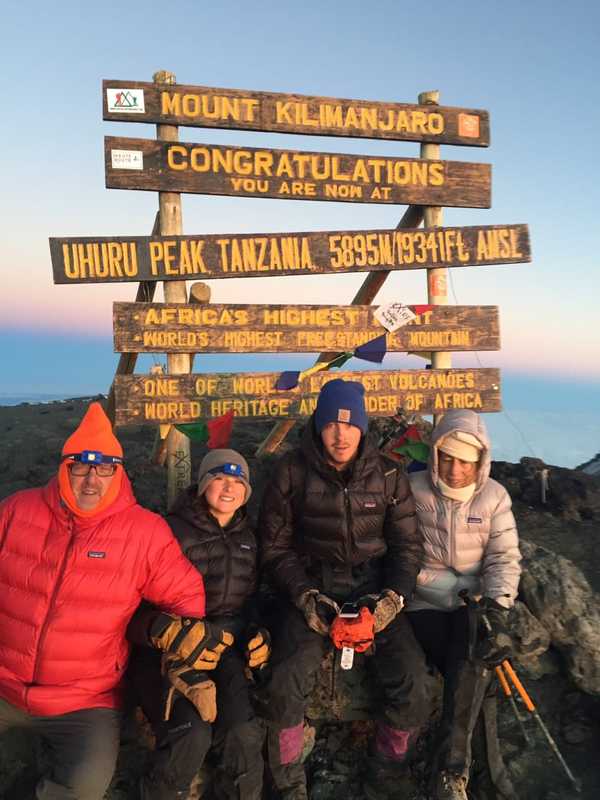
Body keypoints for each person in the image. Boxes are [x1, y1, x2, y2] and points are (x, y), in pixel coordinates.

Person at [0, 402, 232, 800]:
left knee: (84, 786)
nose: (92, 479)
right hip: (3, 683)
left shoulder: (144, 533)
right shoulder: (17, 511)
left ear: (118, 472)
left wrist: (180, 659)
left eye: (105, 467)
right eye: (81, 466)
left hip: (85, 700)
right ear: (64, 468)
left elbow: (186, 597)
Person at [258, 379, 431, 800]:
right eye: (331, 423)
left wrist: (392, 599)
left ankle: (385, 771)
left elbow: (408, 547)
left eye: (350, 424)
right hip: (314, 589)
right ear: (318, 426)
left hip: (373, 591)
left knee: (414, 683)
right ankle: (287, 782)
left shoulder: (390, 474)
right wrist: (303, 595)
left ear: (363, 427)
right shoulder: (291, 472)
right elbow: (275, 547)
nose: (340, 434)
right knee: (283, 681)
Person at [133, 449, 268, 800]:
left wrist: (258, 633)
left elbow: (252, 602)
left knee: (242, 732)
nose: (228, 488)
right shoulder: (167, 531)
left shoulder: (249, 538)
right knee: (190, 733)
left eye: (238, 482)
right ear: (202, 483)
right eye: (219, 478)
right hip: (168, 650)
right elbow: (131, 605)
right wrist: (164, 633)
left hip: (224, 649)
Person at [406, 409, 521, 800]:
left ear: (480, 462)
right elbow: (401, 554)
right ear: (435, 453)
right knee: (471, 665)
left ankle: (451, 774)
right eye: (447, 458)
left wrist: (497, 607)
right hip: (424, 604)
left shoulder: (494, 497)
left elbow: (503, 558)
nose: (455, 470)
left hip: (474, 606)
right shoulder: (412, 489)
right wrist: (434, 586)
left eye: (465, 461)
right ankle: (455, 774)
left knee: (472, 650)